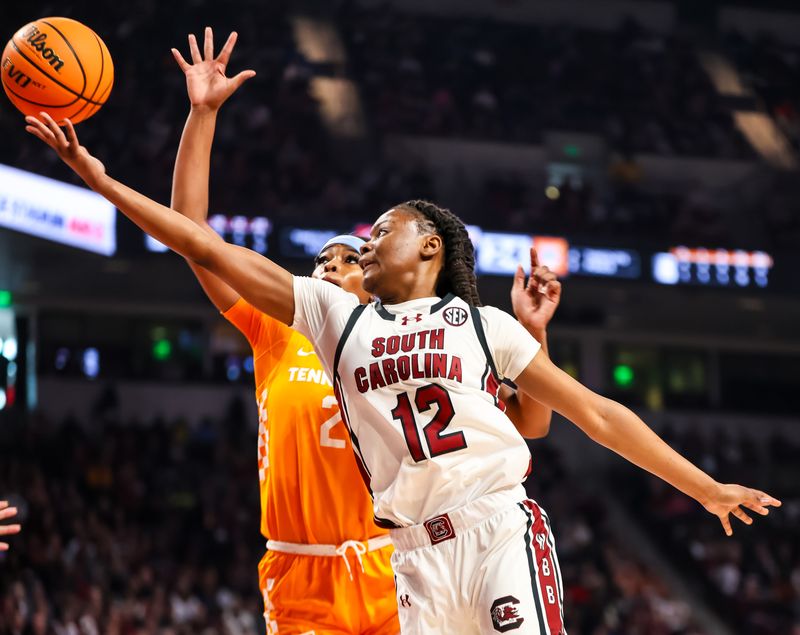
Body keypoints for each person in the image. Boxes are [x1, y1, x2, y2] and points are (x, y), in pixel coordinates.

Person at [25, 64, 781, 635]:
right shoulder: (318, 323)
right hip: (383, 555)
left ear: (423, 247)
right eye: (341, 248)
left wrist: (702, 484)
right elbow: (199, 241)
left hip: (474, 533)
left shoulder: (477, 323)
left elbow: (580, 415)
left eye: (368, 239)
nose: (349, 250)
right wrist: (104, 178)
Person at [165, 29, 561, 635]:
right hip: (301, 570)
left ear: (377, 274)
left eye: (349, 257)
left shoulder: (417, 339)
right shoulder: (277, 329)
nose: (330, 264)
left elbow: (532, 423)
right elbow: (191, 234)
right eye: (322, 259)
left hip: (394, 563)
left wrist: (534, 338)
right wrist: (201, 116)